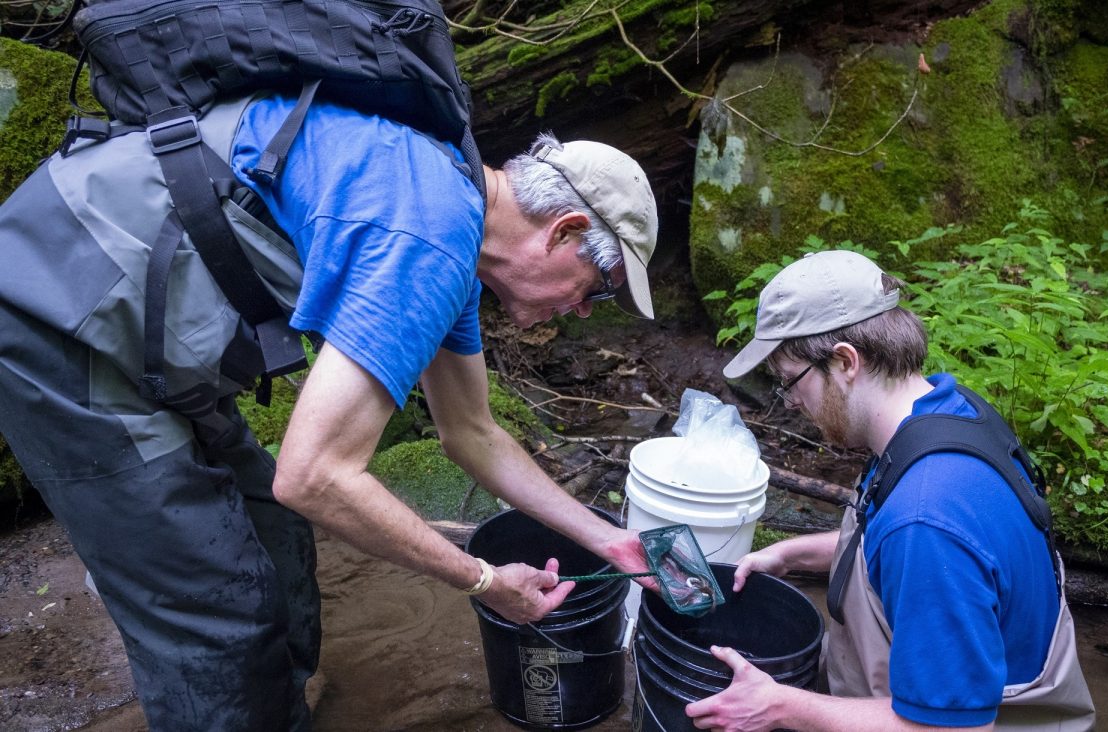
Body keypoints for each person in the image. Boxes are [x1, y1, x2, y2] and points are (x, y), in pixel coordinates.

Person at [0, 91, 657, 730]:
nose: (579, 310)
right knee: (212, 613)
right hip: (57, 318)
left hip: (137, 330)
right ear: (565, 230)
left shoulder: (449, 207)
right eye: (598, 290)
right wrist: (482, 579)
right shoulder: (427, 235)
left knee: (276, 541)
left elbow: (471, 430)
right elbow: (313, 477)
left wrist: (608, 539)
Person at [686, 250, 1095, 731]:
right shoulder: (949, 411)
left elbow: (951, 729)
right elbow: (896, 553)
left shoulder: (925, 520)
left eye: (789, 380)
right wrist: (790, 554)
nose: (791, 400)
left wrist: (779, 706)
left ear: (844, 361)